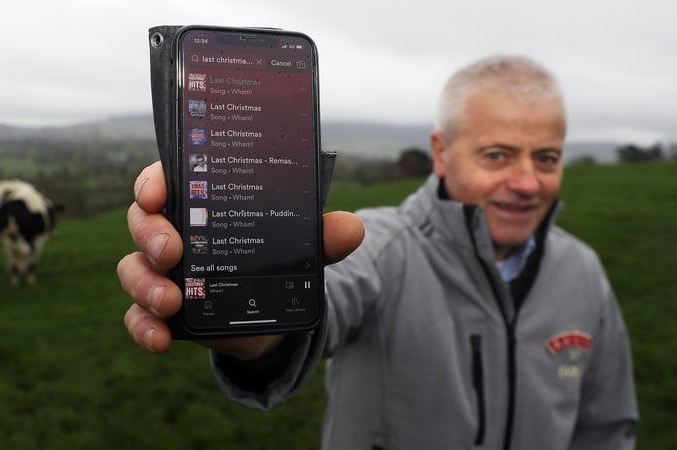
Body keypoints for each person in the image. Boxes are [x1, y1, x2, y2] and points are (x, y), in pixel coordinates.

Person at [117, 55, 638, 449]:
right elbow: (326, 301)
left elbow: (606, 425)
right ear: (441, 153)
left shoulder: (583, 272)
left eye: (546, 158)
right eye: (497, 155)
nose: (527, 182)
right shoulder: (382, 247)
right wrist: (257, 326)